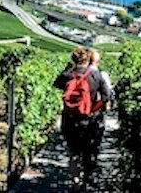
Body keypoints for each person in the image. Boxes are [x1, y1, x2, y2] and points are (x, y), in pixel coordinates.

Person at [54, 46, 111, 190]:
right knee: (88, 150)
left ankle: (75, 181)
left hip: (69, 119)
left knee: (73, 151)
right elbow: (106, 97)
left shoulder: (68, 75)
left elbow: (56, 84)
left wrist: (68, 68)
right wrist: (93, 109)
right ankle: (85, 179)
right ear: (88, 60)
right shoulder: (95, 76)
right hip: (88, 120)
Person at [88, 51, 114, 165]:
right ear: (97, 62)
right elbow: (108, 95)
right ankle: (93, 156)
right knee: (96, 135)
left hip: (77, 113)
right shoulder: (102, 75)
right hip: (96, 112)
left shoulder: (76, 73)